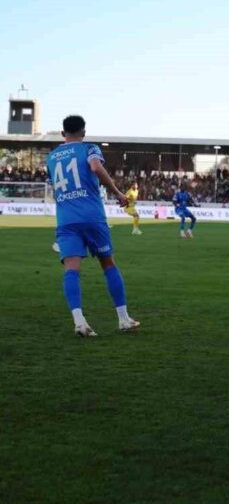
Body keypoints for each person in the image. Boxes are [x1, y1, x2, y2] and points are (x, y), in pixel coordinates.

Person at [46, 115, 139, 337]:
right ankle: (124, 319)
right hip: (91, 215)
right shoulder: (89, 148)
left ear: (63, 133)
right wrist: (117, 192)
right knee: (108, 264)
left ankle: (79, 322)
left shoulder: (51, 157)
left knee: (71, 269)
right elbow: (96, 167)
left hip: (66, 218)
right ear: (84, 132)